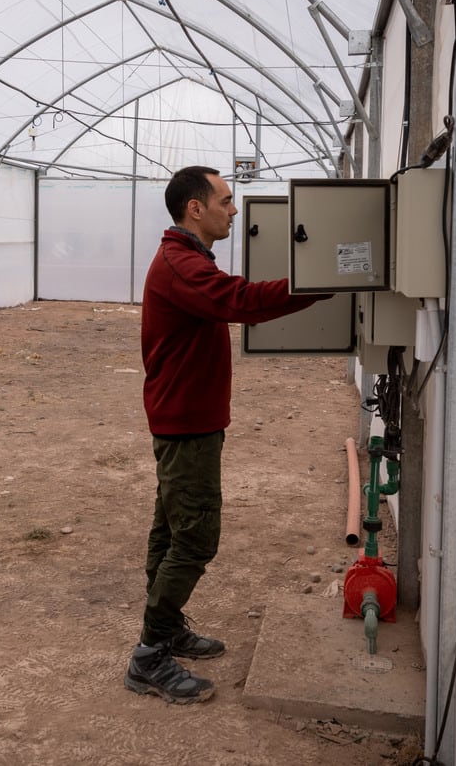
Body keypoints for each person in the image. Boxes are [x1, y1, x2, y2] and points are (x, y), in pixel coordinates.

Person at [123, 166, 329, 704]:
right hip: (186, 423)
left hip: (188, 419)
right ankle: (149, 656)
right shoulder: (182, 264)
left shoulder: (186, 261)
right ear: (196, 208)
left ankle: (164, 632)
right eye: (226, 200)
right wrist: (315, 284)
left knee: (171, 531)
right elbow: (239, 300)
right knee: (194, 538)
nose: (234, 210)